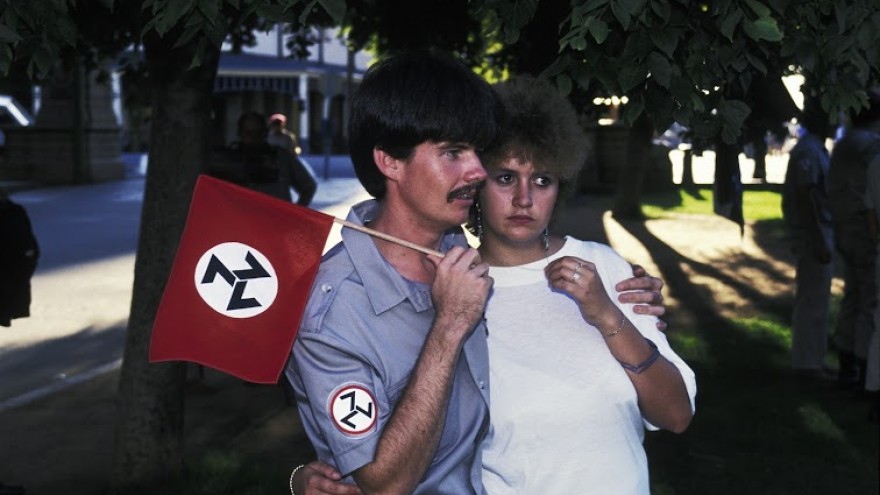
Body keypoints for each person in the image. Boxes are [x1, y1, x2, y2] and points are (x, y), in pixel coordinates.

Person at [285, 52, 668, 495]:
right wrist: (449, 325)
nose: (477, 171)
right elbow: (384, 485)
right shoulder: (332, 312)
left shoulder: (456, 248)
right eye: (453, 152)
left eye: (476, 151)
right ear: (390, 161)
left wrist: (630, 301)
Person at [472, 75, 695, 494]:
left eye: (542, 180)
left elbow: (676, 414)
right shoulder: (456, 289)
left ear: (561, 186)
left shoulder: (604, 267)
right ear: (476, 183)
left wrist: (606, 314)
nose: (524, 199)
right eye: (505, 178)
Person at [827, 90, 880, 390]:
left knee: (853, 298)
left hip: (845, 228)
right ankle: (862, 368)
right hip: (864, 230)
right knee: (868, 302)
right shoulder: (870, 146)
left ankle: (848, 359)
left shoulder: (845, 141)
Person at [781, 103, 835, 379]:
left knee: (818, 299)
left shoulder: (813, 148)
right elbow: (806, 196)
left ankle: (814, 359)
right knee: (812, 300)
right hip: (813, 233)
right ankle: (807, 364)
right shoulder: (810, 151)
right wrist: (817, 239)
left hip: (818, 230)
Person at [213, 111, 317, 206]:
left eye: (259, 133)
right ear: (240, 133)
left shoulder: (282, 157)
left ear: (265, 133)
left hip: (276, 220)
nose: (254, 138)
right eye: (249, 133)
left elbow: (308, 185)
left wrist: (295, 214)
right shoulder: (227, 160)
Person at [0, 187, 39, 327]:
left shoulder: (14, 212)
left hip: (11, 276)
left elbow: (28, 244)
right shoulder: (13, 212)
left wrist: (26, 266)